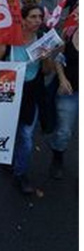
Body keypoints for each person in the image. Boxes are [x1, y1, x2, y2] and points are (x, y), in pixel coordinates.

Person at [0, 4, 55, 194]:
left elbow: (47, 71)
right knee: (8, 129)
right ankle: (6, 157)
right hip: (9, 89)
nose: (38, 20)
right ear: (23, 19)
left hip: (31, 93)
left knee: (26, 136)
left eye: (40, 17)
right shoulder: (9, 38)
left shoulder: (43, 39)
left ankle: (21, 174)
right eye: (33, 17)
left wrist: (46, 57)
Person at [50, 16, 78, 179]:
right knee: (64, 131)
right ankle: (57, 157)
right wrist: (62, 79)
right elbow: (59, 59)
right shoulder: (68, 32)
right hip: (69, 92)